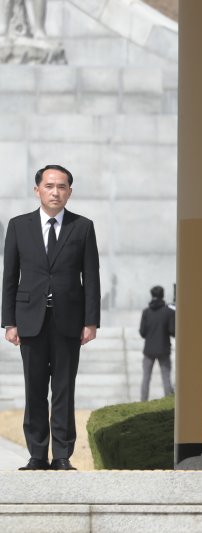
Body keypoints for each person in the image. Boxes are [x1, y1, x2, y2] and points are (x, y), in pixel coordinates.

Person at [2, 164, 100, 471]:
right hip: (30, 319)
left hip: (68, 321)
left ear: (70, 192)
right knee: (34, 389)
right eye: (49, 186)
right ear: (37, 190)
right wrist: (9, 321)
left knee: (63, 389)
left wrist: (91, 321)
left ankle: (61, 455)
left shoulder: (82, 227)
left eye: (61, 187)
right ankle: (36, 454)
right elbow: (10, 276)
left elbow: (92, 277)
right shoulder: (19, 226)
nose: (55, 192)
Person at [139, 285, 175, 402]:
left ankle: (143, 402)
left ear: (152, 295)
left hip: (148, 350)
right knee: (166, 377)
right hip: (164, 349)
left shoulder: (146, 312)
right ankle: (169, 402)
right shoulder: (169, 312)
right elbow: (172, 331)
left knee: (146, 378)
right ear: (162, 295)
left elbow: (142, 332)